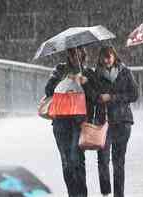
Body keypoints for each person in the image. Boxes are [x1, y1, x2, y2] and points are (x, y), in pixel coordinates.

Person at [45, 46, 97, 197]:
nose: (75, 55)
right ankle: (72, 194)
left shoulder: (88, 72)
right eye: (72, 52)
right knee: (66, 162)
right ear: (68, 55)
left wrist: (85, 82)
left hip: (79, 122)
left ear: (83, 54)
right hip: (61, 121)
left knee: (76, 159)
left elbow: (95, 97)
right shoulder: (60, 70)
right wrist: (65, 80)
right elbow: (48, 90)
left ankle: (81, 194)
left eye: (78, 52)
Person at [94, 46, 138, 197]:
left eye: (109, 56)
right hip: (104, 122)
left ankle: (119, 194)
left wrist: (112, 97)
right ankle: (106, 192)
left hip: (122, 120)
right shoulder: (96, 74)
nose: (107, 60)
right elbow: (92, 96)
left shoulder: (125, 72)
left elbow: (134, 94)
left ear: (114, 56)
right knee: (103, 160)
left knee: (119, 162)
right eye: (104, 57)